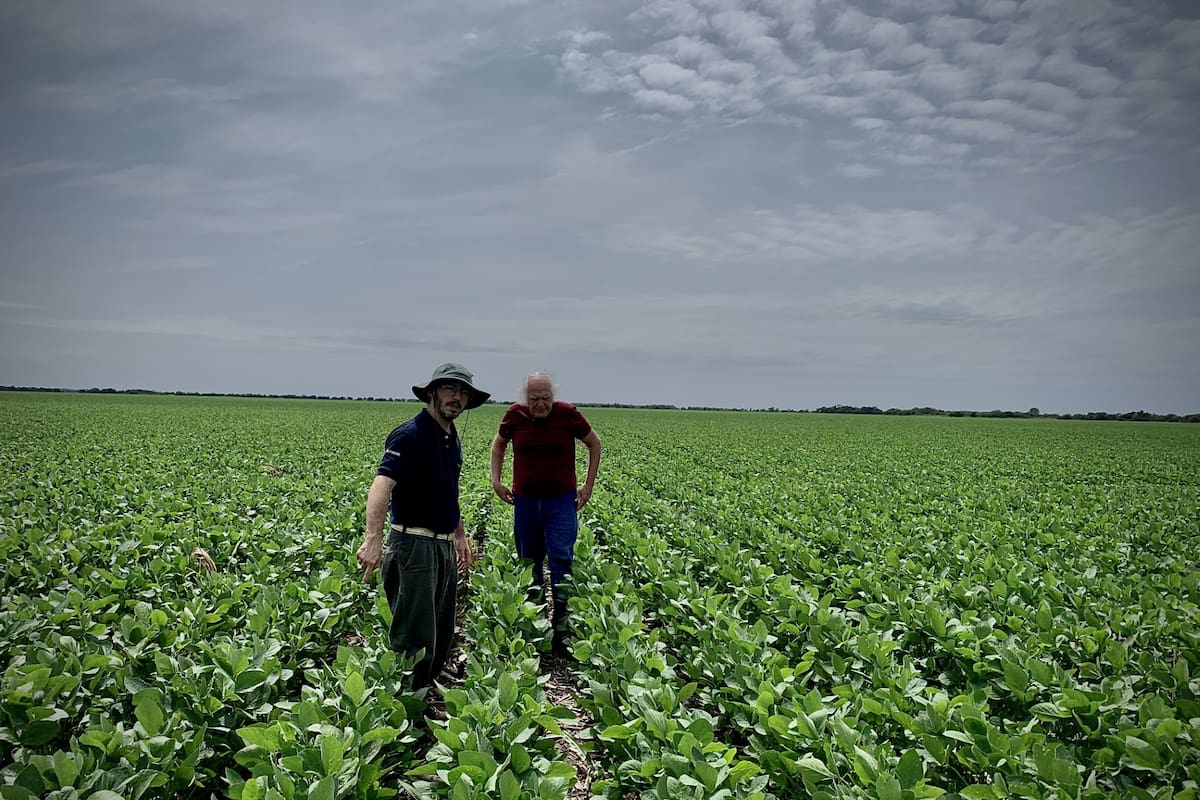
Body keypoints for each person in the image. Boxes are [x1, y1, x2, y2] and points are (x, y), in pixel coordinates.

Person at [356, 363, 489, 689]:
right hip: (413, 546)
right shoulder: (411, 434)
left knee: (441, 630)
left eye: (463, 392)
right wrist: (372, 539)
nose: (456, 397)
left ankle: (425, 689)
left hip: (442, 546)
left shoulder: (450, 436)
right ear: (432, 392)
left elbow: (447, 490)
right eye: (449, 389)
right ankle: (406, 711)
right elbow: (381, 485)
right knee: (414, 638)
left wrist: (459, 535)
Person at [490, 372, 602, 653]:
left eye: (546, 398)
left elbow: (594, 443)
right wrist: (496, 479)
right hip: (525, 501)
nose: (541, 404)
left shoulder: (568, 415)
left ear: (554, 396)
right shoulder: (515, 415)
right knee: (529, 560)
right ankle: (536, 620)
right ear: (524, 399)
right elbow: (499, 443)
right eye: (534, 399)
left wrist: (588, 485)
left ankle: (562, 624)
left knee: (561, 559)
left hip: (561, 502)